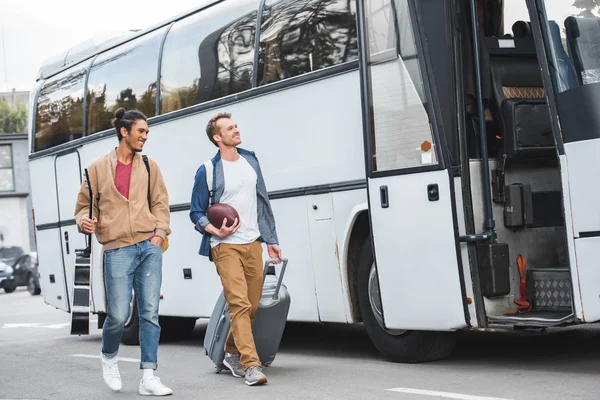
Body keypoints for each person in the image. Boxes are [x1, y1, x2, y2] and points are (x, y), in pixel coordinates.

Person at [74, 108, 173, 396]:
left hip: (148, 247)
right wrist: (84, 221)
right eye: (141, 131)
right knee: (117, 315)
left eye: (147, 132)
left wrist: (159, 234)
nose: (145, 136)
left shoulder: (150, 166)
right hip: (117, 250)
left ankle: (148, 376)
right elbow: (82, 208)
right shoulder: (96, 169)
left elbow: (161, 203)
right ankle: (109, 357)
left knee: (150, 313)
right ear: (124, 132)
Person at [190, 112, 282, 386]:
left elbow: (262, 202)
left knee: (251, 306)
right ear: (217, 137)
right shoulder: (207, 170)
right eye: (230, 128)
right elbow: (196, 212)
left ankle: (230, 352)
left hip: (253, 243)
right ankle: (250, 365)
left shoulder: (251, 160)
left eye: (236, 126)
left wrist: (271, 240)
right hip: (225, 246)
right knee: (238, 305)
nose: (236, 130)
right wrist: (215, 230)